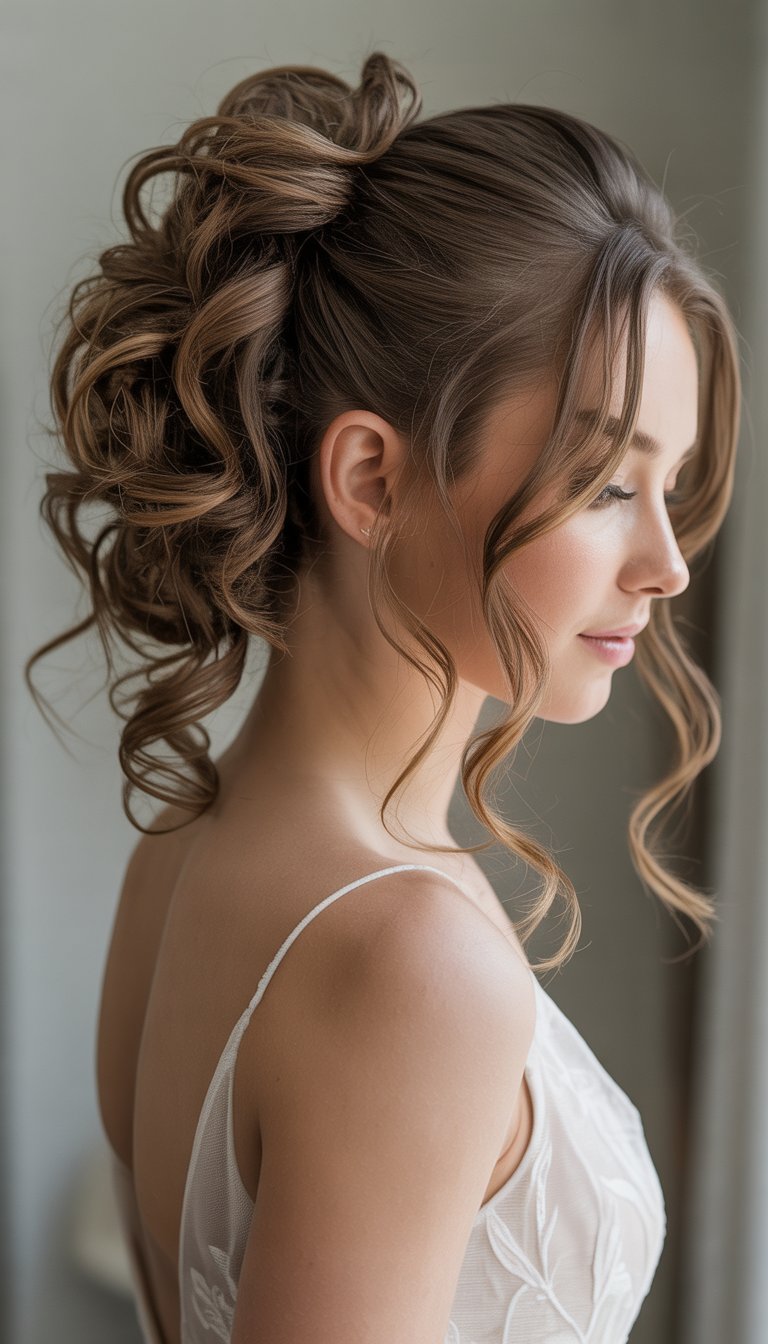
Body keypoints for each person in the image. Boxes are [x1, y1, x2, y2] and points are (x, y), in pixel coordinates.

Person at [26, 48, 741, 1344]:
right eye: (606, 483)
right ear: (368, 479)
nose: (669, 562)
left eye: (672, 481)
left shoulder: (184, 847)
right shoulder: (411, 966)